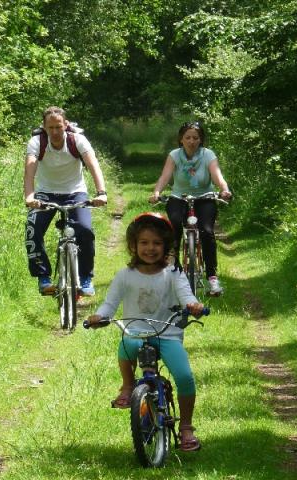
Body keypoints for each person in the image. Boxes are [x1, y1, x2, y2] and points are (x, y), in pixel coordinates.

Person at [86, 212, 205, 452]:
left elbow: (186, 295)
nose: (150, 248)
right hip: (136, 332)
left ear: (166, 246)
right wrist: (100, 316)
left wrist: (194, 306)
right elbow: (110, 303)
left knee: (184, 376)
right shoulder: (125, 276)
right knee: (126, 345)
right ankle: (128, 386)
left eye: (157, 243)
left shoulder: (173, 274)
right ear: (133, 245)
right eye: (144, 242)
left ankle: (187, 427)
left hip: (167, 334)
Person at [24, 106, 107, 296]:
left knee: (85, 231)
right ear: (44, 127)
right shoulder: (37, 142)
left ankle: (85, 277)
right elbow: (29, 170)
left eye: (58, 127)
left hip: (75, 193)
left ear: (65, 125)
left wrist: (101, 192)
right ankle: (43, 278)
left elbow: (93, 164)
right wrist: (29, 196)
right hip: (45, 193)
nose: (54, 132)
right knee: (32, 230)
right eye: (50, 127)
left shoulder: (77, 140)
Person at [149, 121, 232, 295]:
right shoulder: (174, 155)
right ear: (181, 139)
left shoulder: (208, 155)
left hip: (204, 197)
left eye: (196, 137)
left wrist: (224, 189)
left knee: (207, 231)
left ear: (201, 140)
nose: (192, 141)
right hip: (179, 197)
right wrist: (157, 192)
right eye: (188, 137)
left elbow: (217, 176)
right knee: (175, 226)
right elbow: (165, 176)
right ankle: (174, 270)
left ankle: (212, 279)